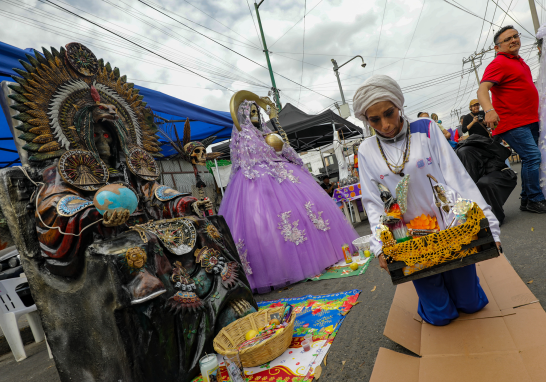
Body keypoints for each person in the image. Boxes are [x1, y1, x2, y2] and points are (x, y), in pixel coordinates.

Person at [353, 75, 500, 326]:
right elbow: (374, 202)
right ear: (366, 119)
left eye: (389, 113)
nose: (386, 124)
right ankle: (433, 300)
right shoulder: (366, 149)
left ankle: (460, 289)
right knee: (441, 316)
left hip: (452, 227)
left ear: (399, 105)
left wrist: (490, 228)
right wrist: (380, 246)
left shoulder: (425, 128)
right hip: (410, 240)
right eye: (374, 119)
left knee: (471, 304)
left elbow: (458, 178)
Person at [218, 92, 359, 294]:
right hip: (256, 181)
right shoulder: (245, 138)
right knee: (264, 225)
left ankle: (316, 257)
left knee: (305, 213)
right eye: (252, 112)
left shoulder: (267, 133)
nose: (256, 116)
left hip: (281, 173)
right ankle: (279, 270)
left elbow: (284, 150)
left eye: (257, 112)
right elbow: (250, 158)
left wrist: (279, 149)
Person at [477, 25, 546, 213]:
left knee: (529, 158)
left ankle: (526, 199)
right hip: (513, 122)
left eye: (515, 36)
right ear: (497, 48)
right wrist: (489, 110)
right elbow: (482, 89)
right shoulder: (498, 63)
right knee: (532, 157)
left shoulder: (519, 61)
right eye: (507, 39)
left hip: (529, 120)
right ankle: (534, 198)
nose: (513, 40)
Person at [456, 135, 517, 225]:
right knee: (478, 185)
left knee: (481, 185)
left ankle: (493, 217)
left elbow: (471, 180)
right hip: (494, 175)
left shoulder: (464, 153)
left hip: (501, 175)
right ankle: (487, 215)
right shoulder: (465, 150)